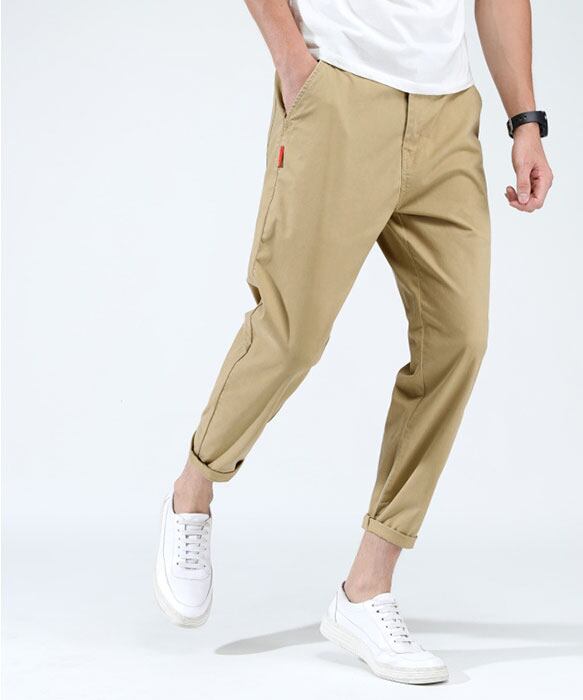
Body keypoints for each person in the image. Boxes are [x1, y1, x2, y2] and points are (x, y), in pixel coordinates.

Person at [154, 0, 553, 684]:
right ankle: (193, 491)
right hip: (338, 87)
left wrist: (526, 120)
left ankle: (366, 588)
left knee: (459, 340)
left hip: (447, 111)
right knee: (292, 334)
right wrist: (293, 62)